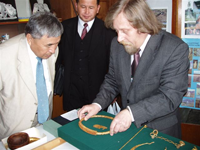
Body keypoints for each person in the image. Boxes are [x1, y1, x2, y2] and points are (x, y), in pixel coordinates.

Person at [78, 0, 190, 139]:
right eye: (117, 31)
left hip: (160, 131)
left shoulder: (174, 49)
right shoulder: (117, 45)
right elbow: (112, 80)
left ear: (143, 25)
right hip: (128, 127)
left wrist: (131, 113)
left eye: (125, 31)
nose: (119, 38)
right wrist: (97, 104)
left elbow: (170, 96)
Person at [0, 11, 63, 140]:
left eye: (57, 43)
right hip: (15, 131)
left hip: (44, 124)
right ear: (30, 39)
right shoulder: (4, 56)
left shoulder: (52, 49)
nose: (53, 50)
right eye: (49, 45)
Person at [56, 0, 116, 111]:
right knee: (71, 126)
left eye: (91, 8)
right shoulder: (63, 28)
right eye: (83, 6)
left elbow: (114, 67)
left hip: (97, 94)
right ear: (76, 6)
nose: (87, 11)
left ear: (98, 8)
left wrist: (112, 94)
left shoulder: (108, 31)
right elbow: (57, 59)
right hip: (71, 92)